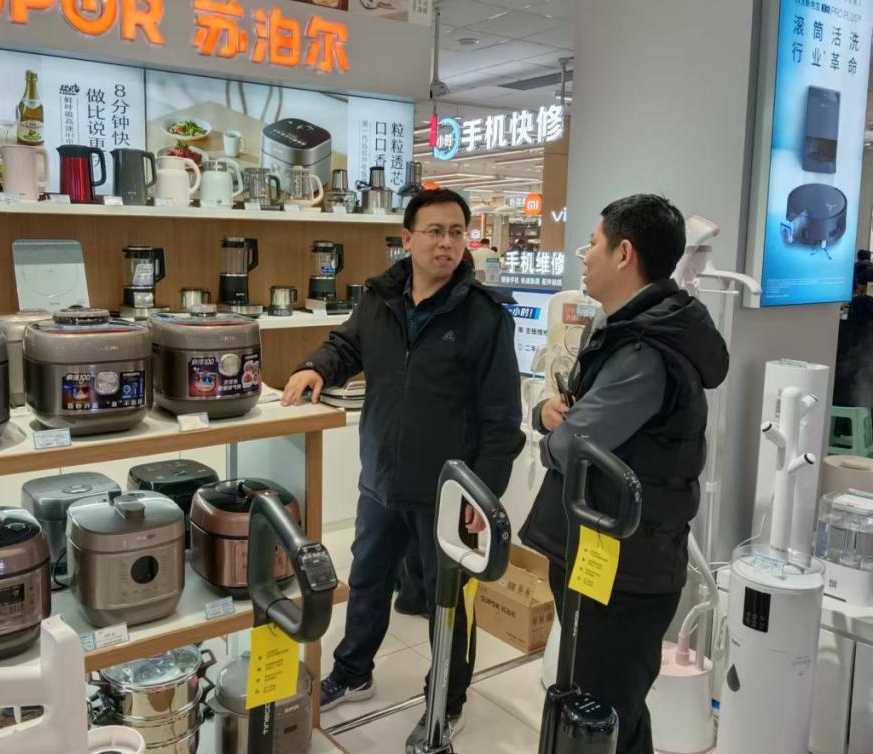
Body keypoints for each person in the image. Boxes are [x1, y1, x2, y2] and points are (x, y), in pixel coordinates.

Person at [282, 188, 524, 743]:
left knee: (448, 603)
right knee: (367, 580)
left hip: (448, 493)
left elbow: (502, 421)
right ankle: (353, 671)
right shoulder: (380, 298)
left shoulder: (484, 316)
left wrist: (482, 496)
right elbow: (346, 346)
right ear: (408, 238)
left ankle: (447, 700)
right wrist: (316, 366)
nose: (447, 243)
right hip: (380, 481)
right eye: (435, 231)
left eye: (457, 232)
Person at [520, 194, 729, 754]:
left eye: (593, 243)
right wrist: (553, 414)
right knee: (612, 710)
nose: (585, 255)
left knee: (603, 709)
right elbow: (587, 426)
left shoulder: (645, 350)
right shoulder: (632, 330)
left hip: (624, 569)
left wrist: (554, 433)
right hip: (613, 553)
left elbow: (574, 446)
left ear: (624, 253)